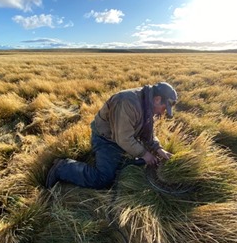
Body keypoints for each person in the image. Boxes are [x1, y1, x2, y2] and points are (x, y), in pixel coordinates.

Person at [46, 81, 178, 189]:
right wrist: (144, 153)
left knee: (130, 164)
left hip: (122, 138)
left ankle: (121, 161)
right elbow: (123, 138)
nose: (163, 112)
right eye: (164, 108)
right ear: (157, 99)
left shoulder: (147, 104)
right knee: (104, 179)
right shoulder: (127, 102)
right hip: (106, 139)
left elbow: (147, 132)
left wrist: (158, 149)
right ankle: (62, 167)